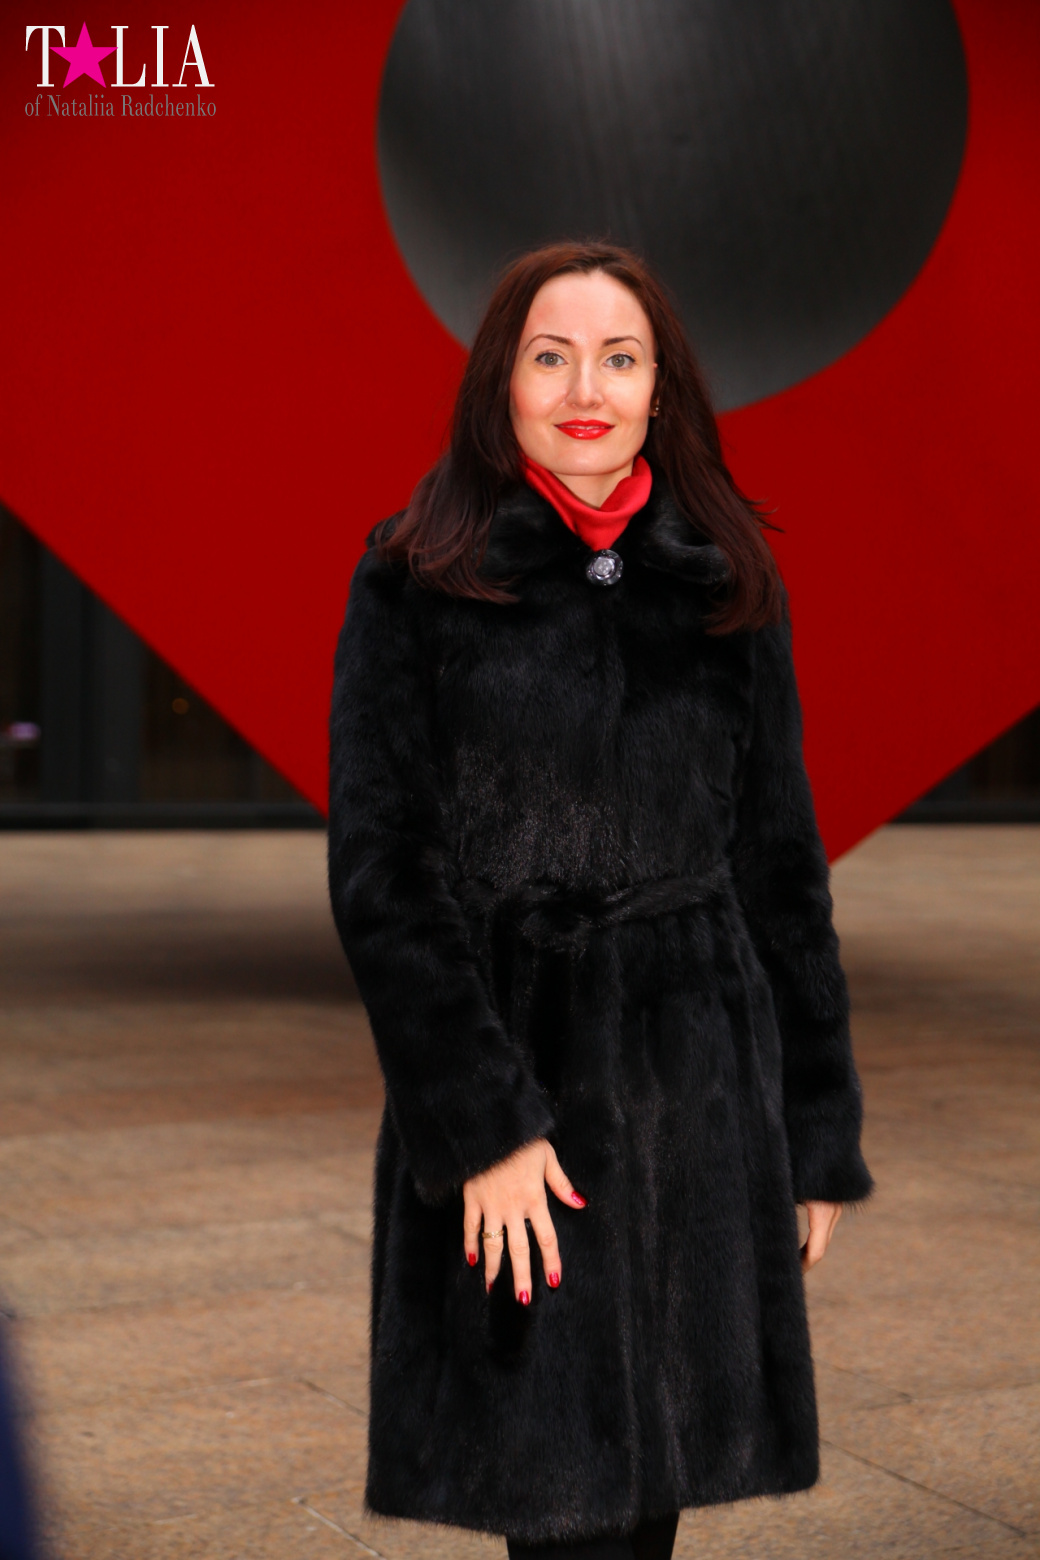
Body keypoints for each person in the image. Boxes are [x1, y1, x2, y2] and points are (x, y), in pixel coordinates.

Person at [327, 241, 872, 1559]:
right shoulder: (415, 576)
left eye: (620, 358)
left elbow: (784, 869)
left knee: (653, 1498)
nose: (588, 387)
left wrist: (814, 1123)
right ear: (499, 387)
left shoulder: (727, 578)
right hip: (520, 1091)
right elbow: (381, 880)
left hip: (700, 1091)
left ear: (661, 391)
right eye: (551, 355)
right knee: (557, 1503)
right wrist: (486, 1122)